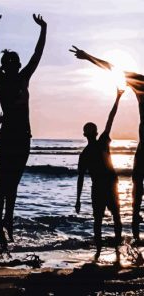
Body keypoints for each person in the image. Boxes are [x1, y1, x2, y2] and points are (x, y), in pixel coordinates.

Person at [69, 46, 144, 241]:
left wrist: (87, 57)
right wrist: (88, 57)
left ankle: (134, 235)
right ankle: (135, 236)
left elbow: (112, 68)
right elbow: (112, 67)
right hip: (141, 148)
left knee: (136, 190)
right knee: (136, 188)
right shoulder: (141, 83)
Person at [0, 13, 47, 245]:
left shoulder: (24, 78)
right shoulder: (0, 80)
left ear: (18, 65)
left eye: (15, 63)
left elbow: (37, 55)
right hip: (10, 136)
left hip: (23, 137)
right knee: (2, 183)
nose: (12, 66)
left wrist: (43, 29)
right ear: (5, 66)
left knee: (12, 184)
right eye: (8, 64)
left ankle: (7, 222)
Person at [75, 89, 124, 260]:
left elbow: (80, 178)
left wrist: (78, 199)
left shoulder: (86, 153)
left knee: (100, 220)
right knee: (113, 217)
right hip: (108, 186)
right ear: (94, 133)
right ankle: (115, 247)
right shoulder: (99, 143)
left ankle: (100, 250)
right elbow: (111, 119)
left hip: (103, 187)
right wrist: (117, 97)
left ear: (85, 135)